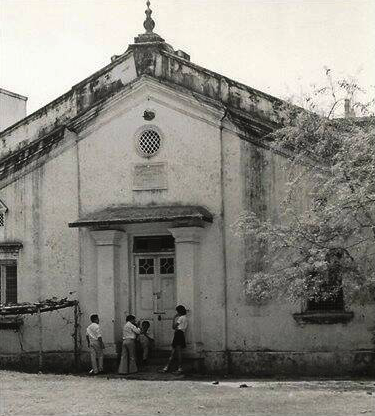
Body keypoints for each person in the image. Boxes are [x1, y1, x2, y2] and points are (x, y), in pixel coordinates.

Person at [162, 305, 188, 374]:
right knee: (175, 352)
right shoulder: (185, 318)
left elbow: (173, 327)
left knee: (175, 352)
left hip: (178, 334)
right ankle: (167, 367)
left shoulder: (180, 318)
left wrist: (174, 318)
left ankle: (178, 368)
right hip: (181, 334)